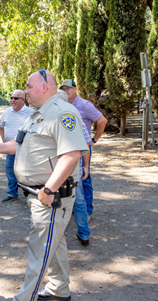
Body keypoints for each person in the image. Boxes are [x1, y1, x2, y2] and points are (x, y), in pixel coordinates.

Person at [0, 69, 88, 301]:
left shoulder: (62, 112)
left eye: (28, 86)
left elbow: (72, 154)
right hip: (36, 195)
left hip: (51, 197)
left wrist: (48, 190)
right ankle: (59, 288)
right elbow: (20, 145)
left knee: (39, 249)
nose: (24, 91)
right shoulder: (36, 114)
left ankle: (24, 298)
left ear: (44, 87)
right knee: (53, 245)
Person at [60, 79, 107, 220]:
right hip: (66, 149)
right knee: (68, 178)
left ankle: (87, 211)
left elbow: (102, 120)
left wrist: (94, 139)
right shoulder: (62, 106)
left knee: (84, 178)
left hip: (82, 149)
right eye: (63, 89)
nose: (65, 91)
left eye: (68, 88)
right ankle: (75, 208)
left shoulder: (85, 105)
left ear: (75, 90)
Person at [58, 90, 91, 245]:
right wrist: (86, 166)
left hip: (56, 172)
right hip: (74, 170)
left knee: (57, 204)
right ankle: (84, 234)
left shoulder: (49, 118)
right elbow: (86, 144)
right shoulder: (76, 118)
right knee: (79, 202)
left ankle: (58, 236)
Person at [0, 89, 34, 203]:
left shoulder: (31, 113)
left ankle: (29, 193)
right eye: (11, 98)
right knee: (10, 170)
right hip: (11, 149)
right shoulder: (7, 112)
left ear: (23, 100)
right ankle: (12, 193)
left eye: (16, 98)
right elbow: (0, 125)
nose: (13, 100)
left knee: (26, 172)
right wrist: (4, 141)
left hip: (25, 149)